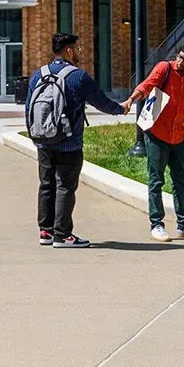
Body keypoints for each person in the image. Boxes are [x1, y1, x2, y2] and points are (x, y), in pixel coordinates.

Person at [26, 32, 126, 248]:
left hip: (43, 141)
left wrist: (36, 136)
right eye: (78, 49)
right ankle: (62, 235)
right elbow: (101, 102)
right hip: (68, 143)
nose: (80, 53)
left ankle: (46, 232)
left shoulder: (37, 75)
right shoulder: (78, 76)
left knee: (46, 184)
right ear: (69, 50)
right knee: (65, 186)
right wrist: (121, 109)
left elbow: (28, 109)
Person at [125, 41, 184, 242]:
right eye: (179, 56)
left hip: (178, 138)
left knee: (181, 181)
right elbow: (147, 86)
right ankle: (156, 224)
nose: (180, 61)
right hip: (156, 134)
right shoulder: (164, 68)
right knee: (156, 180)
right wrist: (131, 99)